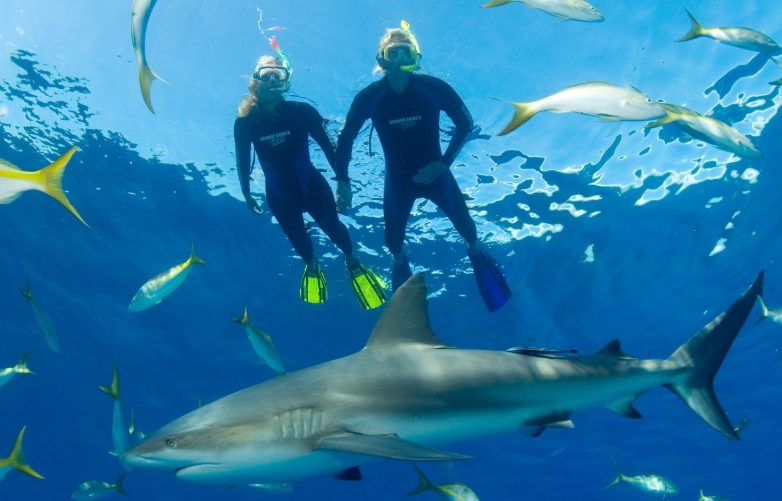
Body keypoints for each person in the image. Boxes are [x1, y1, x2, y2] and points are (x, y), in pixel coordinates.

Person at [335, 22, 511, 312]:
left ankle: (476, 254)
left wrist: (443, 163)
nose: (402, 59)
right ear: (382, 60)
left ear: (417, 57)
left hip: (437, 175)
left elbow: (465, 124)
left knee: (468, 229)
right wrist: (342, 181)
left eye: (407, 52)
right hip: (398, 181)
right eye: (394, 52)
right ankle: (400, 263)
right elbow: (346, 139)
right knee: (392, 241)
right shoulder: (370, 97)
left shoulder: (434, 88)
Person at [234, 47, 386, 310]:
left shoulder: (301, 112)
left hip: (312, 187)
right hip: (279, 197)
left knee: (334, 228)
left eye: (278, 76)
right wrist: (246, 192)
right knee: (298, 239)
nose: (272, 81)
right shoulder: (245, 122)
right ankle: (312, 265)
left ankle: (352, 261)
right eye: (266, 75)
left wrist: (343, 182)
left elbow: (329, 147)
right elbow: (242, 158)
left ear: (285, 81)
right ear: (255, 81)